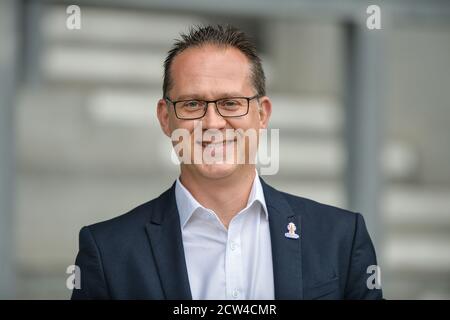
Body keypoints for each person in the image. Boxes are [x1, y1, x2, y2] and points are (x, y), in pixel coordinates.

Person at [71, 24, 382, 300]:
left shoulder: (341, 237)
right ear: (166, 118)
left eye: (230, 103)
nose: (213, 122)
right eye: (192, 104)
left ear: (262, 114)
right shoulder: (107, 251)